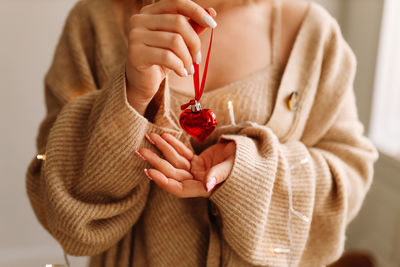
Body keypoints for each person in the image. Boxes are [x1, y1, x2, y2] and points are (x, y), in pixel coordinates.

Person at [26, 0, 378, 266]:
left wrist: (250, 172)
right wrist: (132, 95)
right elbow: (60, 205)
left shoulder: (312, 34)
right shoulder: (94, 23)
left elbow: (347, 174)